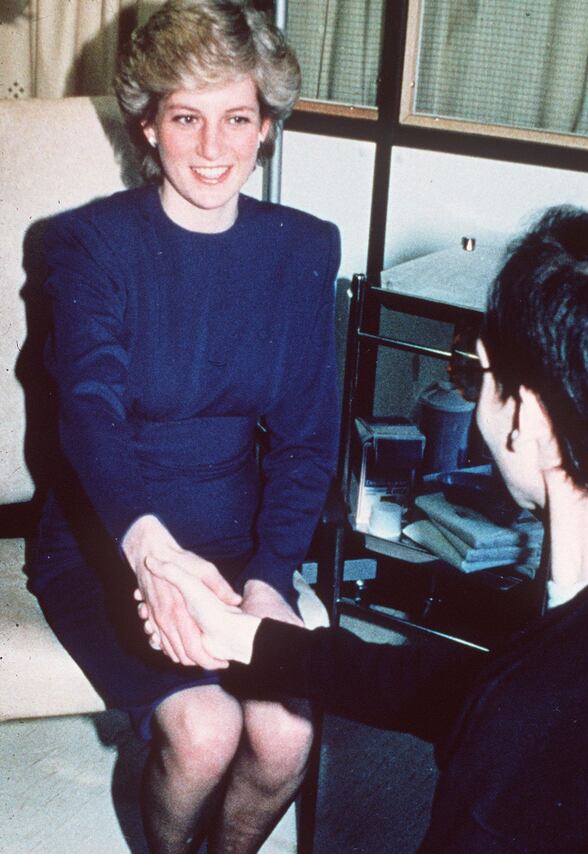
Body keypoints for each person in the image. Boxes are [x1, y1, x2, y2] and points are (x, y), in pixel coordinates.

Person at [143, 206, 588, 851]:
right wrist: (243, 636)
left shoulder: (527, 731)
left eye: (481, 374)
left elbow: (508, 708)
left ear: (528, 421)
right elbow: (456, 688)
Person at [28, 1, 340, 852]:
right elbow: (88, 414)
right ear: (147, 126)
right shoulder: (87, 244)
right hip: (111, 535)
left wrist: (272, 575)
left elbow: (309, 438)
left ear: (266, 126)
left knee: (286, 736)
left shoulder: (303, 248)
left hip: (239, 538)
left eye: (237, 118)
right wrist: (152, 555)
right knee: (204, 732)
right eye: (186, 118)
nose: (213, 148)